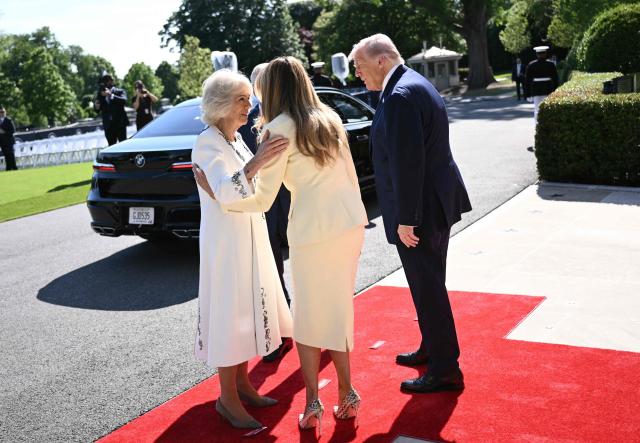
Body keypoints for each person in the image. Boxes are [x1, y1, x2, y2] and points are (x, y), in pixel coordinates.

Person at [195, 57, 368, 435]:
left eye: (253, 95)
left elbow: (261, 201)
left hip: (313, 233)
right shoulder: (329, 117)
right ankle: (348, 393)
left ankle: (312, 403)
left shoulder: (277, 129)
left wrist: (218, 195)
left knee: (307, 317)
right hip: (350, 223)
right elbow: (352, 175)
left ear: (270, 90)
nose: (251, 103)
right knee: (338, 309)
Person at [349, 34, 471, 394]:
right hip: (434, 203)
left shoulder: (400, 95)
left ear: (382, 60)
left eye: (360, 65)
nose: (357, 73)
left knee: (428, 285)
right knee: (428, 282)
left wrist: (407, 219)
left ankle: (445, 368)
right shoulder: (412, 84)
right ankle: (432, 348)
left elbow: (408, 164)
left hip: (421, 212)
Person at [191, 70, 293, 430]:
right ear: (221, 104)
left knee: (247, 311)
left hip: (247, 232)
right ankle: (227, 399)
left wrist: (259, 165)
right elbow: (228, 192)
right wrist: (258, 161)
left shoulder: (232, 139)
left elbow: (239, 189)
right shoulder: (208, 142)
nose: (250, 106)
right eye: (242, 99)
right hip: (225, 243)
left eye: (250, 98)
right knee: (229, 313)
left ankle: (244, 384)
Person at [239, 63, 294, 363]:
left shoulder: (289, 112)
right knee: (271, 266)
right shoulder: (245, 118)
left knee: (305, 258)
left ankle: (317, 325)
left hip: (292, 196)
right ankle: (280, 331)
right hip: (264, 200)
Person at [524, 46, 559, 123]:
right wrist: (556, 91)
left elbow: (527, 81)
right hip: (548, 89)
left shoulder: (531, 65)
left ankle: (538, 125)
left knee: (537, 109)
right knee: (548, 108)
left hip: (537, 90)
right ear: (545, 53)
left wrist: (528, 94)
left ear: (536, 54)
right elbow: (555, 79)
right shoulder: (551, 64)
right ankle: (548, 123)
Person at [94, 74, 129, 145]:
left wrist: (110, 95)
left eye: (106, 81)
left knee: (123, 144)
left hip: (120, 124)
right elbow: (97, 110)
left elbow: (124, 100)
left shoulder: (119, 91)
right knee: (111, 145)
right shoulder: (100, 95)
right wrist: (96, 106)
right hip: (108, 125)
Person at [0, 106, 18, 171]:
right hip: (2, 141)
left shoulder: (9, 120)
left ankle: (14, 167)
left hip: (9, 141)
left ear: (5, 112)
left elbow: (13, 130)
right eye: (1, 112)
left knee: (11, 154)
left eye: (3, 112)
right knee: (6, 154)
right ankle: (8, 168)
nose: (2, 113)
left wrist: (4, 132)